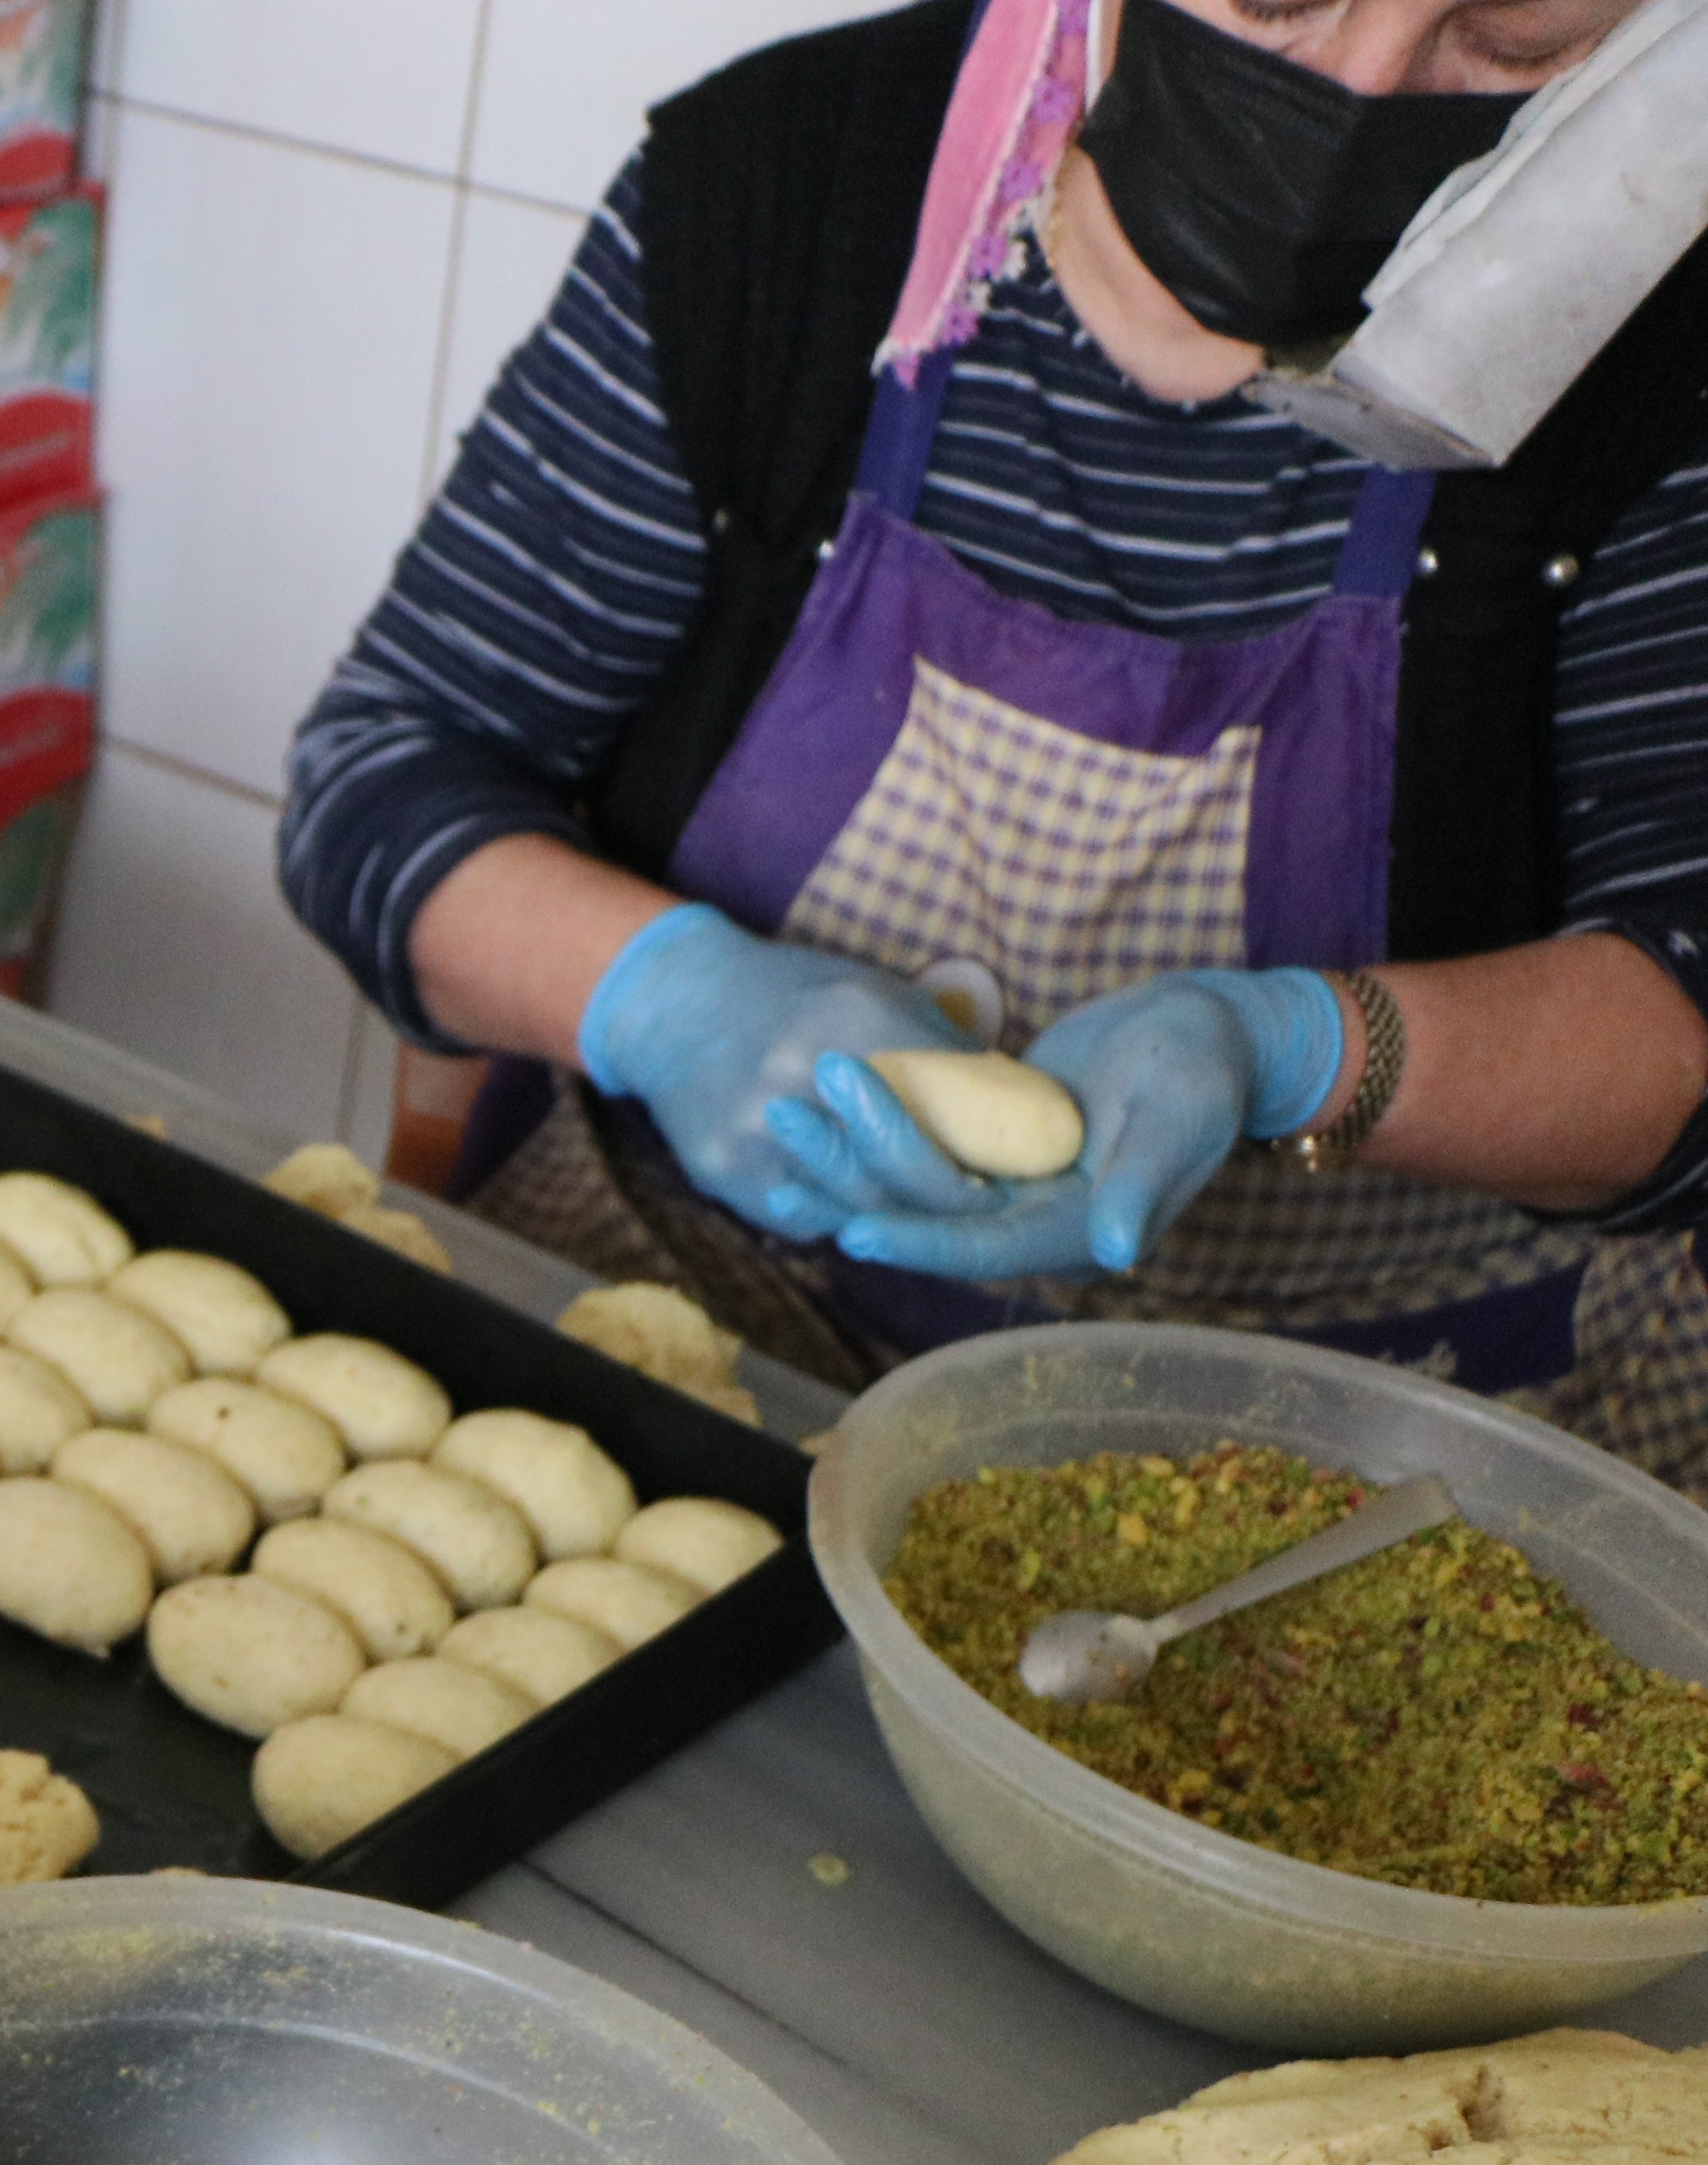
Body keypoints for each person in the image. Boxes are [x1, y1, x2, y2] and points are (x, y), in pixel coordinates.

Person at [280, 0, 1708, 1487]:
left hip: (1363, 1471)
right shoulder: (787, 187)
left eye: (1515, 37)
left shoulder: (1662, 339)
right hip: (690, 1360)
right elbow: (387, 777)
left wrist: (1305, 1056)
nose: (1358, 94)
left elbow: (1688, 1012)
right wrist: (663, 997)